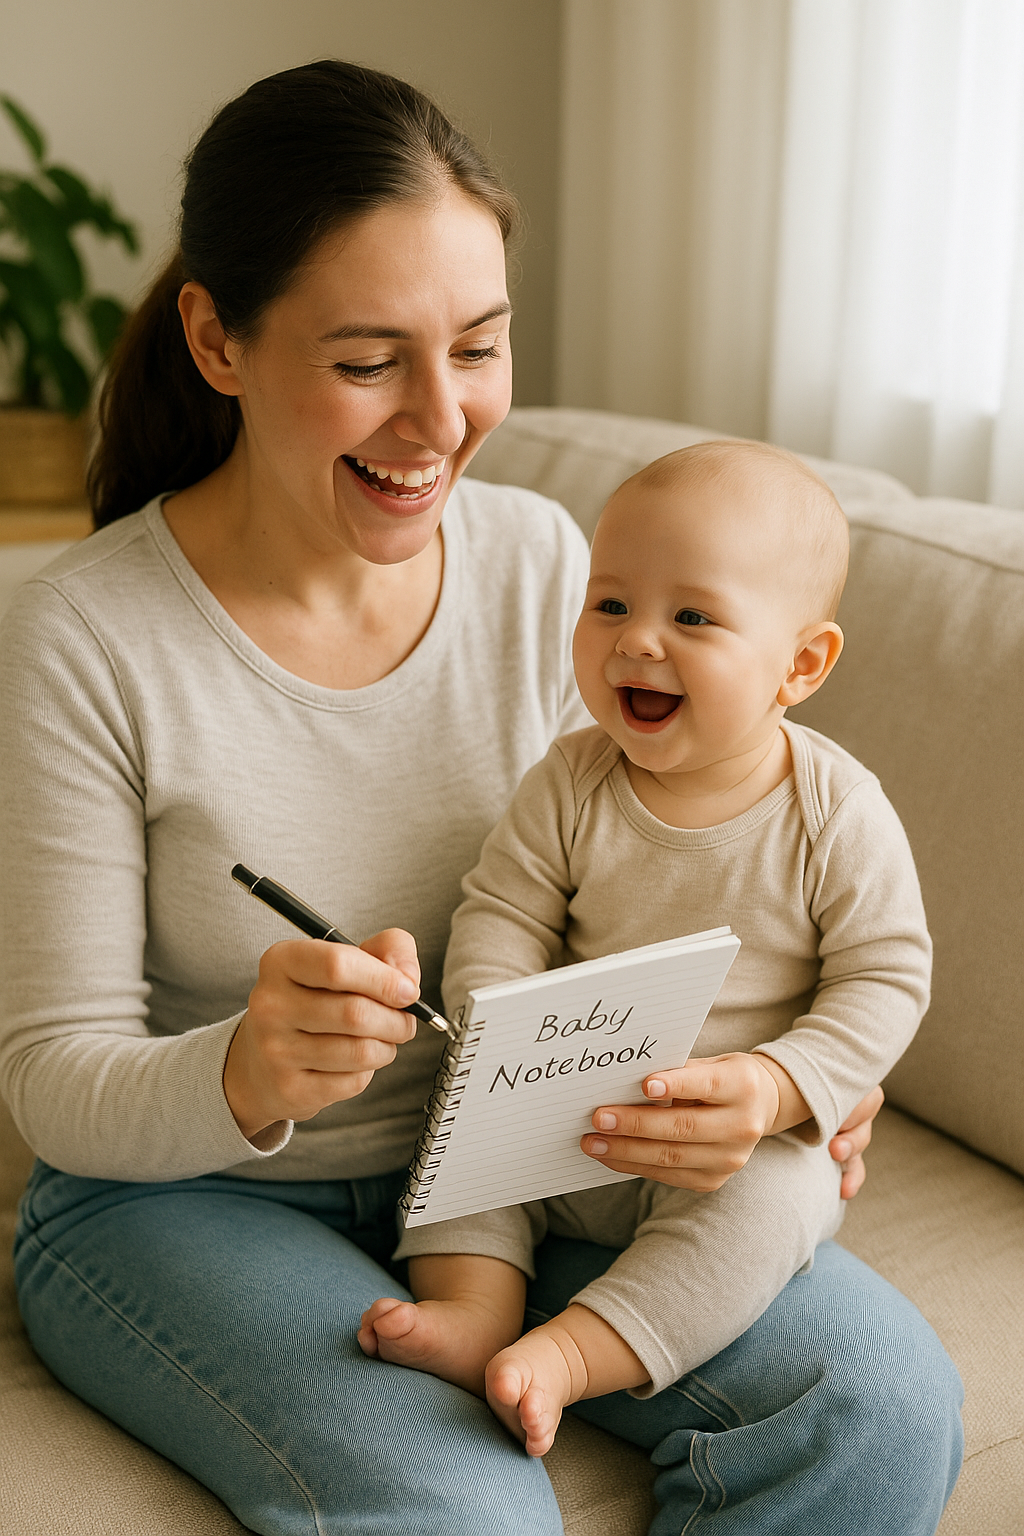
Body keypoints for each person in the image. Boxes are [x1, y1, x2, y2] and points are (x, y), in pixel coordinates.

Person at [0, 59, 959, 1536]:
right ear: (218, 338)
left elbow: (692, 869)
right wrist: (246, 1073)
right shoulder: (82, 638)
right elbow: (52, 1081)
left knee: (879, 1398)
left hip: (530, 1168)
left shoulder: (543, 563)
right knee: (468, 1512)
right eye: (371, 359)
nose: (440, 420)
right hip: (180, 1202)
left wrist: (791, 1081)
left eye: (481, 348)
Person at [361, 439, 933, 1465]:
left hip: (722, 1142)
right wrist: (501, 1021)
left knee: (778, 1200)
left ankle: (575, 1354)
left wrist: (777, 1085)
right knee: (460, 1125)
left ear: (800, 664)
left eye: (693, 618)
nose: (637, 644)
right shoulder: (572, 779)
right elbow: (502, 909)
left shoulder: (831, 811)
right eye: (611, 605)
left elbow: (884, 976)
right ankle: (475, 1304)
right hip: (559, 1094)